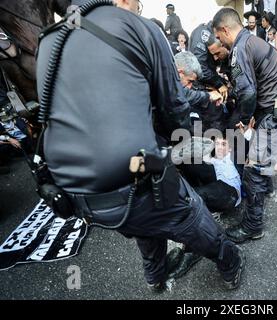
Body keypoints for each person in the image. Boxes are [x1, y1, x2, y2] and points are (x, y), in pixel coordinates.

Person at [36, 0, 245, 291]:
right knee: (188, 213)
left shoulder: (48, 39)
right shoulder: (138, 27)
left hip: (74, 195)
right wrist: (190, 148)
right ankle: (231, 264)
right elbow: (175, 109)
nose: (139, 6)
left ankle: (155, 279)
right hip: (132, 176)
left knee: (144, 222)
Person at [213, 8, 277, 242]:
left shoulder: (240, 48)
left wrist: (243, 118)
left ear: (224, 29)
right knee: (262, 161)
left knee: (253, 170)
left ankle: (253, 226)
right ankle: (266, 188)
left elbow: (247, 92)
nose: (219, 41)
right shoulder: (251, 41)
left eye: (219, 37)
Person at [189, 22, 229, 100]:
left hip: (208, 78)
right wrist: (219, 84)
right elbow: (200, 67)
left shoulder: (214, 32)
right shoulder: (202, 35)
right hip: (198, 83)